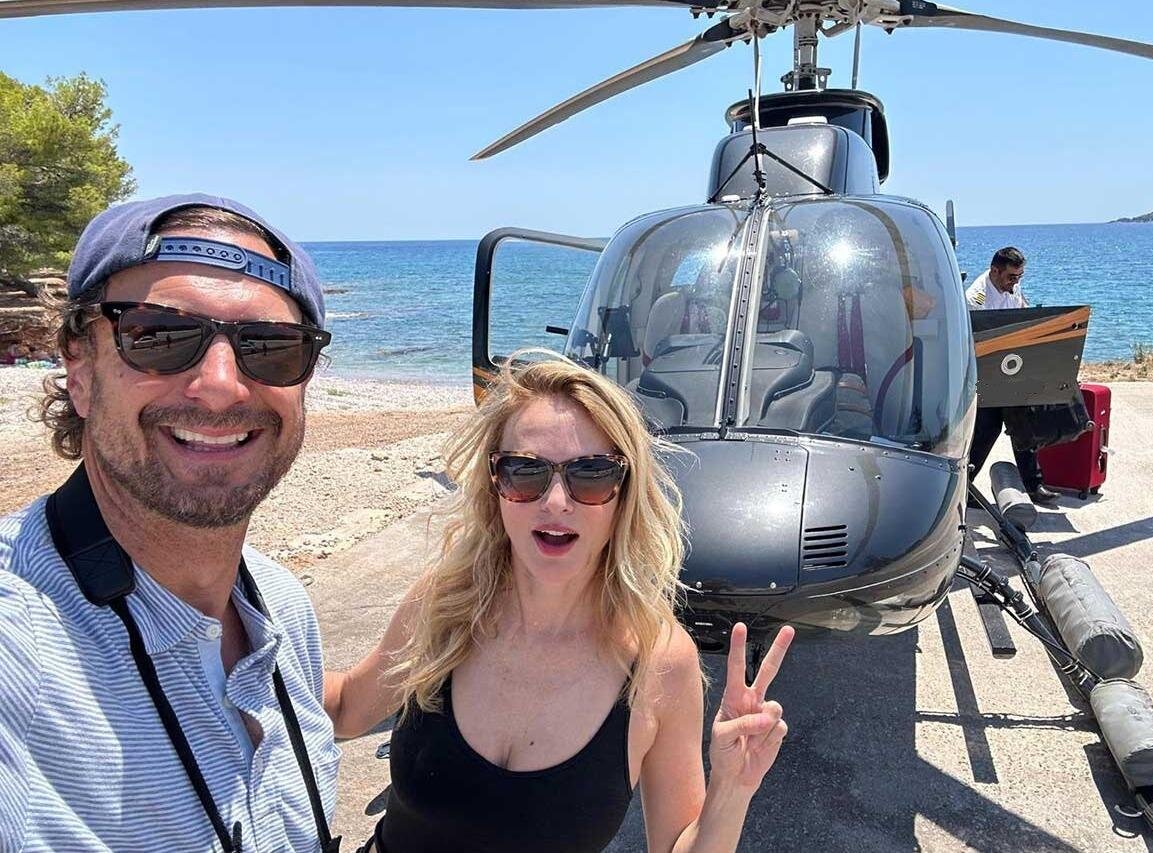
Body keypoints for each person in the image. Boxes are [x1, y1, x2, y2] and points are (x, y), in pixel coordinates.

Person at [324, 351, 795, 853]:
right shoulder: (446, 605)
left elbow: (677, 843)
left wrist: (732, 790)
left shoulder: (660, 662)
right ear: (495, 486)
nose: (554, 502)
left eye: (590, 474)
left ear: (624, 495)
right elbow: (348, 706)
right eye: (524, 472)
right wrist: (260, 636)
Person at [0, 194, 342, 851]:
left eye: (270, 348)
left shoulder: (281, 607)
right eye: (158, 336)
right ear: (79, 367)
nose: (220, 386)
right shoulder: (19, 647)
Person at [965, 247, 1060, 505]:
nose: (1015, 282)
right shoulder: (976, 299)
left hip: (1010, 366)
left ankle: (1033, 485)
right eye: (1011, 277)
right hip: (985, 371)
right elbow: (977, 342)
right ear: (995, 271)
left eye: (1019, 276)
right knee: (987, 429)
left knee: (1023, 424)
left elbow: (1023, 316)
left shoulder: (1012, 287)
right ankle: (964, 486)